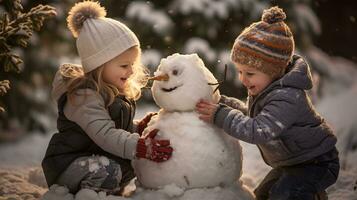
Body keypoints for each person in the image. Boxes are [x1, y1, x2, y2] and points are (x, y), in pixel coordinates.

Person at [196, 6, 339, 200]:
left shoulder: (287, 97)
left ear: (274, 70)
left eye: (250, 73)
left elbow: (258, 130)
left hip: (316, 163)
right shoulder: (267, 89)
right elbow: (253, 117)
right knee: (262, 195)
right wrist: (224, 103)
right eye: (239, 72)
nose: (243, 79)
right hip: (292, 163)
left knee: (285, 194)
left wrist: (220, 114)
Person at [42, 1, 173, 194]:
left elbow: (112, 128)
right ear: (100, 65)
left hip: (96, 159)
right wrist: (140, 146)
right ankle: (87, 195)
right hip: (69, 164)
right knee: (110, 168)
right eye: (123, 65)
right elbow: (105, 134)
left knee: (132, 165)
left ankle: (103, 190)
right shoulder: (83, 96)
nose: (130, 71)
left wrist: (139, 128)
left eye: (132, 64)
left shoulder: (112, 91)